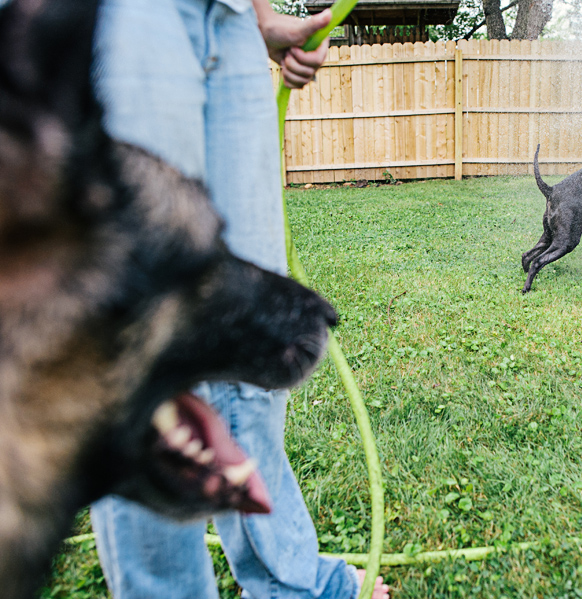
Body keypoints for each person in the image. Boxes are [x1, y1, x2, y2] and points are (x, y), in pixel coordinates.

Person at [90, 1, 389, 598]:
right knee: (144, 358)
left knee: (254, 345)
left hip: (224, 18)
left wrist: (256, 17)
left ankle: (289, 584)